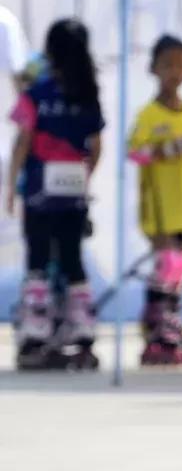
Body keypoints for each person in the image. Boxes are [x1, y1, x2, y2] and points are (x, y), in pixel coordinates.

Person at [6, 18, 103, 370]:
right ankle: (81, 325)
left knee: (38, 256)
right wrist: (84, 178)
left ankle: (36, 324)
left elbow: (23, 141)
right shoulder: (88, 96)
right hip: (73, 190)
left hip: (38, 191)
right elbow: (96, 146)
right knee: (72, 257)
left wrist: (11, 186)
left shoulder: (38, 95)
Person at [128, 35, 182, 365]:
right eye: (168, 65)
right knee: (166, 262)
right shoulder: (149, 115)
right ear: (154, 69)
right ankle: (155, 324)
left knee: (181, 264)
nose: (175, 72)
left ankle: (172, 318)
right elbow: (134, 152)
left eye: (181, 65)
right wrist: (165, 149)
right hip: (159, 205)